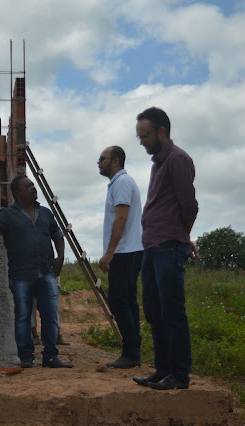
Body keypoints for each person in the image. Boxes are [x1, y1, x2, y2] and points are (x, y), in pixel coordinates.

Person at [132, 107, 199, 390]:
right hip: (153, 246)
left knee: (172, 312)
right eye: (139, 137)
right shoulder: (158, 163)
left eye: (144, 135)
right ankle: (162, 370)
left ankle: (179, 375)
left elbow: (189, 206)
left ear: (161, 131)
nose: (142, 142)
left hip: (168, 247)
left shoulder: (177, 159)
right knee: (153, 310)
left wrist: (181, 235)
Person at [0, 176, 73, 369]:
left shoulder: (45, 213)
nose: (33, 187)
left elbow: (58, 236)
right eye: (28, 186)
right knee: (23, 316)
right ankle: (26, 357)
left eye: (33, 184)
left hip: (45, 272)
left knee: (50, 315)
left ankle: (50, 356)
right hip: (20, 275)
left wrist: (60, 256)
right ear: (17, 193)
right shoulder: (7, 214)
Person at [97, 145, 144, 368]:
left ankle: (131, 352)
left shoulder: (122, 183)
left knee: (118, 301)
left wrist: (109, 253)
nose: (99, 163)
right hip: (129, 250)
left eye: (102, 159)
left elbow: (121, 218)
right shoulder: (120, 183)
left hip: (125, 252)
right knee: (127, 300)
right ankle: (133, 351)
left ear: (115, 161)